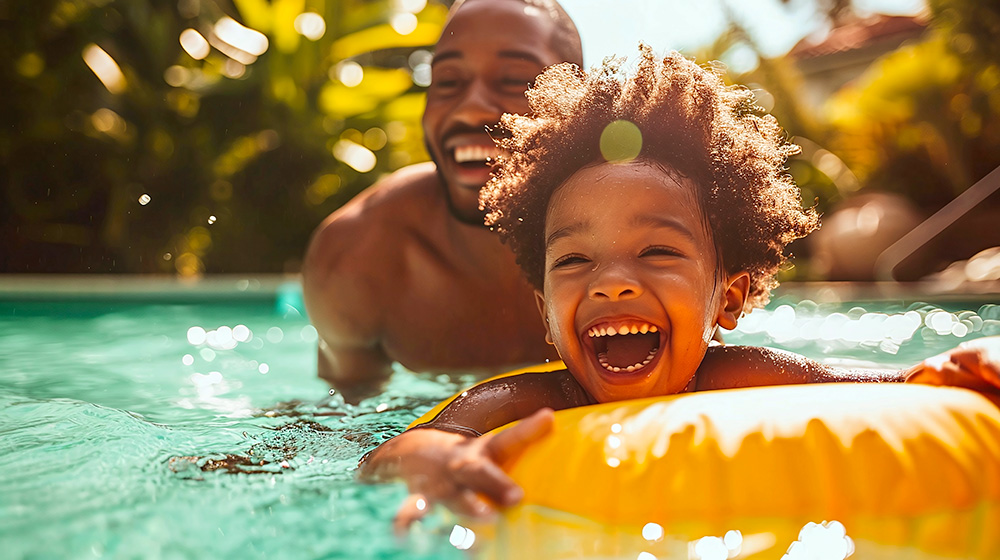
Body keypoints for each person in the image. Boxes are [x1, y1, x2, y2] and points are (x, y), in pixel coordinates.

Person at [356, 47, 1000, 527]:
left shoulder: (740, 374)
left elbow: (872, 384)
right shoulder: (527, 401)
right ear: (545, 313)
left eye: (657, 251)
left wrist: (944, 368)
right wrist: (433, 461)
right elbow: (399, 450)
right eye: (574, 260)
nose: (611, 284)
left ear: (730, 298)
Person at [301, 0, 582, 403]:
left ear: (578, 100)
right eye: (448, 81)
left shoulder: (645, 233)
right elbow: (343, 418)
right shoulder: (358, 258)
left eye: (514, 79)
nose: (470, 107)